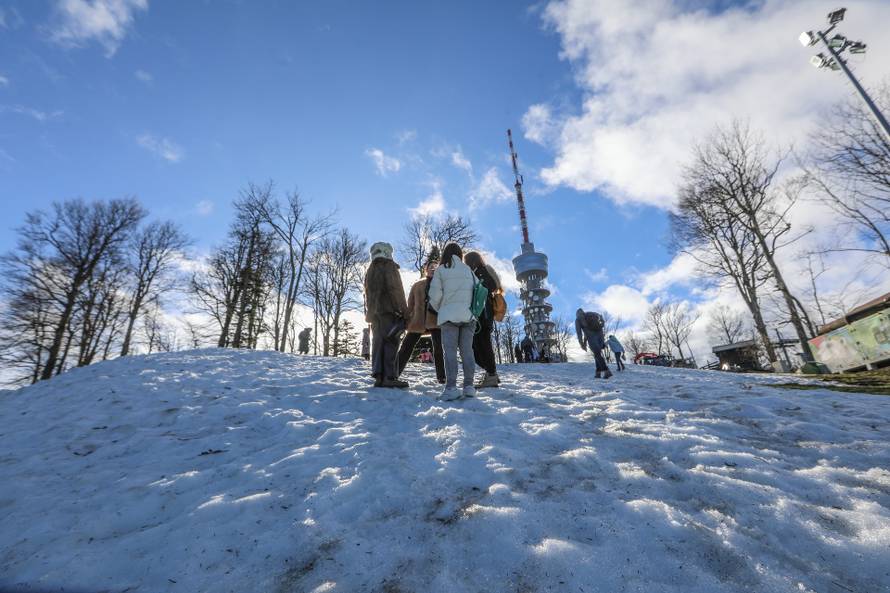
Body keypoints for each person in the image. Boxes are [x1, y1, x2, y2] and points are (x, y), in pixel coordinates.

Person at [428, 242, 477, 401]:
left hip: (449, 317)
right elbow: (478, 291)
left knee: (450, 352)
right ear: (460, 254)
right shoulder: (468, 270)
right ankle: (469, 386)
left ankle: (451, 388)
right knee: (467, 351)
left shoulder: (441, 270)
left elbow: (434, 296)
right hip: (468, 317)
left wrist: (441, 308)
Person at [364, 242, 410, 389]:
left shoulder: (370, 269)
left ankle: (379, 376)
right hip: (390, 312)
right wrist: (404, 311)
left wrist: (370, 313)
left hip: (375, 314)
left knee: (378, 343)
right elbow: (395, 289)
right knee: (391, 342)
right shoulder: (389, 266)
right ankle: (390, 377)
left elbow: (367, 296)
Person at [397, 254, 446, 384]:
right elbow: (410, 304)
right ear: (426, 269)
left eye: (436, 267)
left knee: (439, 349)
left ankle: (442, 377)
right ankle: (394, 373)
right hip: (417, 321)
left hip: (436, 321)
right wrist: (407, 319)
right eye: (431, 267)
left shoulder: (442, 285)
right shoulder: (418, 285)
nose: (433, 269)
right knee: (406, 346)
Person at [463, 251, 500, 388]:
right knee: (478, 344)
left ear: (471, 261)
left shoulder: (481, 271)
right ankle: (491, 373)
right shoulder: (479, 271)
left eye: (466, 261)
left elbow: (490, 287)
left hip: (483, 314)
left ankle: (491, 374)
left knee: (481, 344)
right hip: (483, 314)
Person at [576, 308, 612, 379]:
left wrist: (582, 343)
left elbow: (579, 333)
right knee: (597, 354)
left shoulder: (578, 320)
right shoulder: (591, 313)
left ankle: (607, 371)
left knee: (597, 353)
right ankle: (598, 373)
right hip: (600, 333)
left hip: (591, 336)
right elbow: (601, 317)